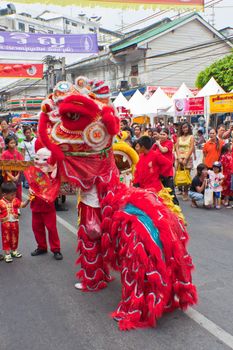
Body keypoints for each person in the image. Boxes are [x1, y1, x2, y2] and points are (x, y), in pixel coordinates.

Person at [0, 181, 30, 263]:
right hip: (5, 224)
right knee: (6, 238)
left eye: (14, 194)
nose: (14, 196)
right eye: (12, 195)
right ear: (4, 195)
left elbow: (22, 205)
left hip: (14, 223)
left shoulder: (15, 200)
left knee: (15, 236)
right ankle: (7, 253)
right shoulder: (1, 202)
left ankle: (13, 251)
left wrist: (28, 200)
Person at [155, 128, 179, 205]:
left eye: (164, 134)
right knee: (160, 190)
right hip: (159, 171)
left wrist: (158, 144)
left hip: (167, 171)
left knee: (170, 191)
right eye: (161, 134)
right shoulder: (157, 144)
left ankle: (176, 206)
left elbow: (164, 150)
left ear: (167, 135)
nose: (162, 136)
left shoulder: (169, 143)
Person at [175, 122, 195, 201]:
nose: (185, 129)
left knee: (186, 175)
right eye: (183, 128)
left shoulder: (191, 137)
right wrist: (179, 158)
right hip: (179, 158)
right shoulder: (179, 137)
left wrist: (186, 158)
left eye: (186, 127)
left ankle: (185, 192)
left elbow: (191, 147)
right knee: (179, 174)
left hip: (188, 158)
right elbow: (176, 147)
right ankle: (180, 189)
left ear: (189, 128)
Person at [1, 135, 24, 201]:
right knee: (9, 191)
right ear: (7, 144)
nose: (13, 144)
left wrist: (17, 176)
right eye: (11, 143)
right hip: (8, 176)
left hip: (17, 176)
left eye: (14, 143)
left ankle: (17, 205)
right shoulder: (4, 154)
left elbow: (21, 165)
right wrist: (10, 176)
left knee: (18, 191)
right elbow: (4, 167)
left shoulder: (18, 153)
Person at [219, 143, 233, 208]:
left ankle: (226, 200)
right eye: (231, 146)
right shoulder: (224, 156)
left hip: (230, 173)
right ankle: (225, 200)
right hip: (225, 174)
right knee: (225, 188)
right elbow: (221, 166)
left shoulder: (229, 155)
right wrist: (221, 174)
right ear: (228, 148)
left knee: (228, 188)